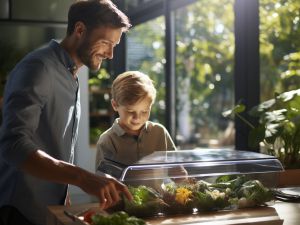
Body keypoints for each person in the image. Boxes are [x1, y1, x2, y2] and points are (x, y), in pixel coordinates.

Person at [0, 1, 132, 225]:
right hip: (20, 211)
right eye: (105, 42)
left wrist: (63, 191)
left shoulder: (71, 73)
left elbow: (51, 144)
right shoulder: (39, 67)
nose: (110, 54)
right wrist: (83, 178)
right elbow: (13, 145)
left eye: (115, 45)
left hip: (49, 208)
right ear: (79, 30)